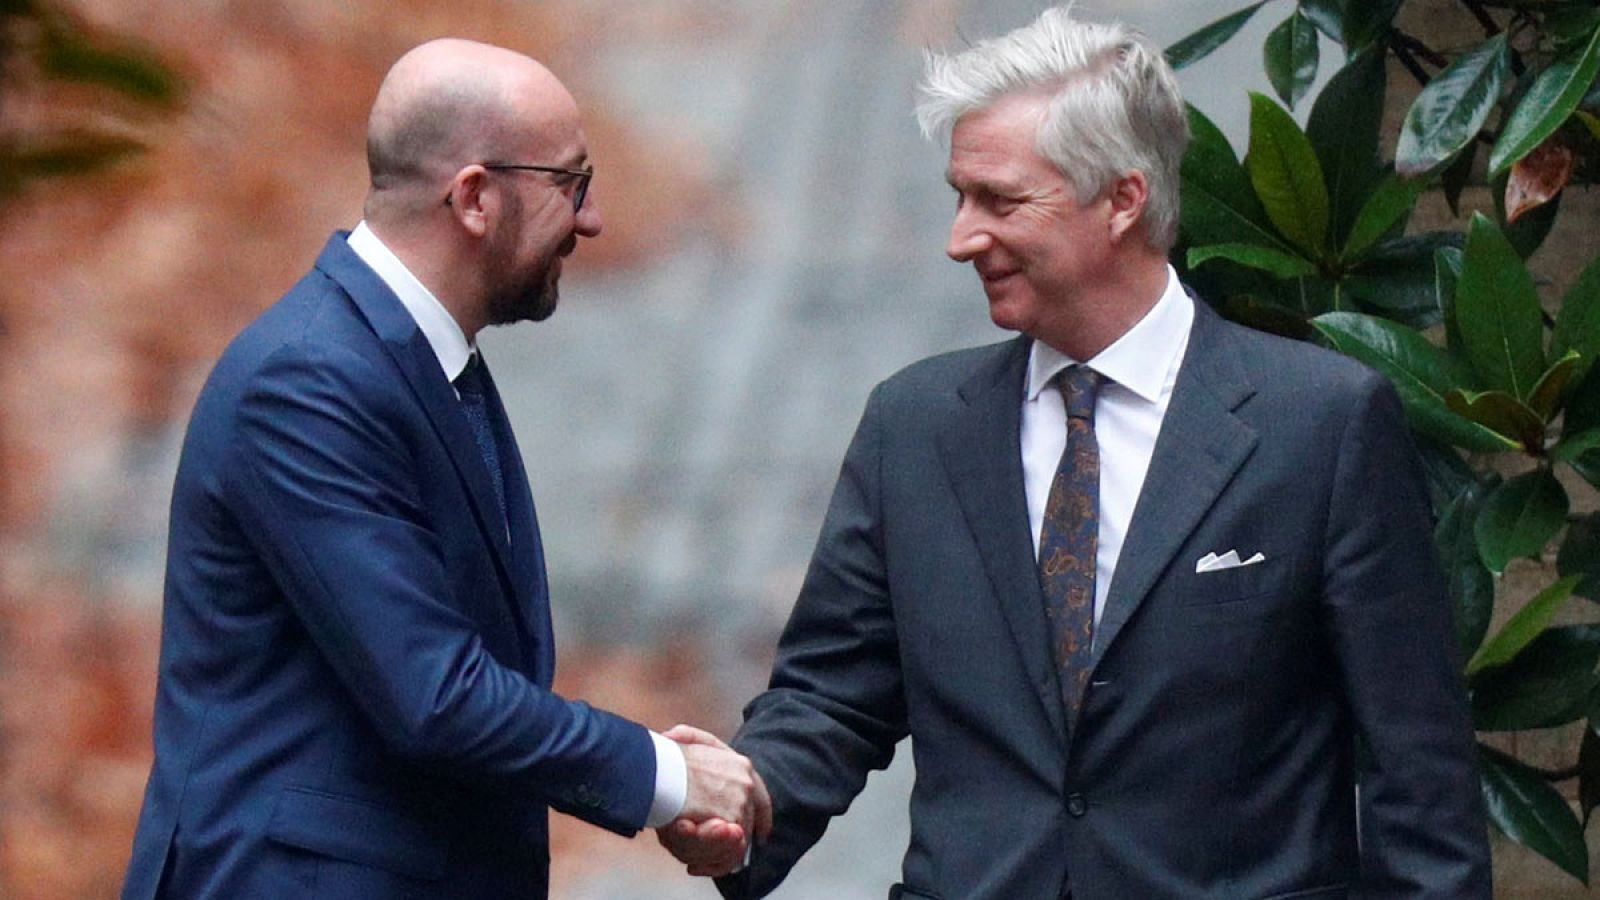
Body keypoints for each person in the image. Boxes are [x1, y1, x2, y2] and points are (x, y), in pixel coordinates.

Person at [660, 7, 1491, 899]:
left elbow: (1419, 772)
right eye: (958, 196)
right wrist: (741, 808)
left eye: (1002, 200)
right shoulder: (915, 424)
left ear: (1123, 200)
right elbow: (831, 696)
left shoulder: (1320, 424)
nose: (960, 238)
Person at [121, 39, 767, 900]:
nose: (591, 218)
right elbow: (435, 696)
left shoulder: (418, 361)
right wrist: (668, 778)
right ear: (474, 197)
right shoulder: (309, 380)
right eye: (570, 184)